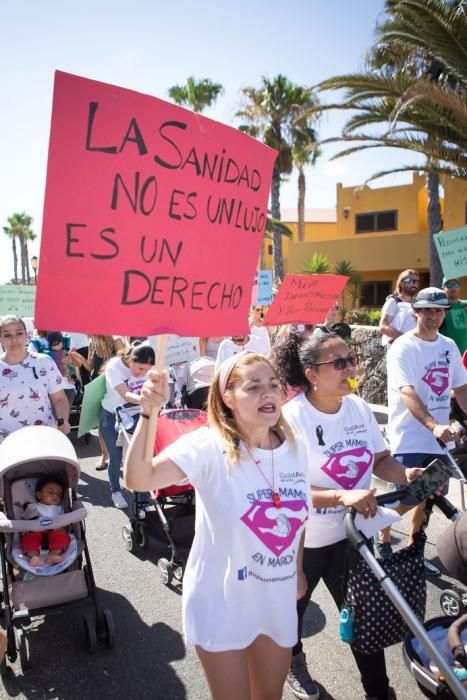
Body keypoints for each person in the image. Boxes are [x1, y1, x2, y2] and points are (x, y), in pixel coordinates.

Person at [124, 352, 311, 700]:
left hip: (276, 597)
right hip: (221, 601)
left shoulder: (296, 447)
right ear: (227, 397)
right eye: (253, 387)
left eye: (273, 385)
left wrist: (297, 570)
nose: (267, 394)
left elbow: (298, 518)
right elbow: (138, 478)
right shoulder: (208, 446)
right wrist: (149, 412)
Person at [272, 328, 423, 700]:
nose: (350, 367)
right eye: (338, 363)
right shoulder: (289, 419)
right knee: (290, 613)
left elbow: (381, 461)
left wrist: (406, 475)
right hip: (304, 544)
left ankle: (378, 692)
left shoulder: (357, 407)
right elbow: (282, 493)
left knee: (363, 620)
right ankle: (294, 662)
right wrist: (342, 495)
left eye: (351, 359)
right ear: (310, 374)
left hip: (355, 538)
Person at [387, 287, 467, 576]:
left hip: (439, 440)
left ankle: (412, 549)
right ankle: (381, 537)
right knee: (405, 499)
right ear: (416, 312)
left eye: (439, 310)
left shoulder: (448, 346)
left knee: (428, 496)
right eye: (428, 310)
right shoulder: (403, 347)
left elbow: (460, 388)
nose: (434, 315)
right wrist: (435, 426)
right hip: (408, 437)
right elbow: (407, 392)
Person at [100, 344, 155, 509]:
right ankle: (115, 491)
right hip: (112, 416)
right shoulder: (114, 367)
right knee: (116, 458)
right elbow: (126, 394)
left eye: (147, 370)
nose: (142, 373)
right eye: (140, 368)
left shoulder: (146, 369)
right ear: (131, 360)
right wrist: (146, 400)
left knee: (140, 457)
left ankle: (143, 497)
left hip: (137, 415)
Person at [0, 314, 71, 444]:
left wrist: (63, 420)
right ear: (0, 339)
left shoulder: (44, 362)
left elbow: (60, 399)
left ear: (27, 335)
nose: (14, 339)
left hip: (44, 441)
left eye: (19, 333)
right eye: (7, 335)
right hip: (6, 447)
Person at [73, 334, 125, 469]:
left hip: (116, 387)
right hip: (98, 386)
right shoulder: (92, 343)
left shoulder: (116, 340)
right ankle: (104, 456)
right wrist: (81, 360)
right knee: (102, 422)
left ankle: (121, 456)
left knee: (120, 421)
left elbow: (126, 364)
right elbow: (91, 367)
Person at [20, 474, 70, 567]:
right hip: (35, 531)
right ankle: (34, 557)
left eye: (58, 494)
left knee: (63, 537)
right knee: (27, 539)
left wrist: (62, 527)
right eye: (50, 492)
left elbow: (65, 520)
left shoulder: (60, 509)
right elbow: (25, 518)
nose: (55, 495)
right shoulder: (33, 507)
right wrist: (25, 528)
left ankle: (53, 555)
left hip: (54, 531)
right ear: (39, 495)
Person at [379, 269, 419, 346]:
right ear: (401, 283)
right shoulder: (393, 302)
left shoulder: (418, 303)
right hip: (397, 347)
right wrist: (404, 338)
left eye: (416, 281)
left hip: (415, 347)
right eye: (409, 280)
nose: (414, 283)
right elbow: (383, 327)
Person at [440, 277, 467, 355]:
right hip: (448, 355)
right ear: (443, 287)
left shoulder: (465, 305)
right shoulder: (440, 307)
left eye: (456, 284)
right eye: (449, 284)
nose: (453, 287)